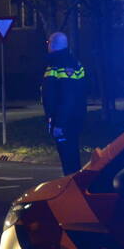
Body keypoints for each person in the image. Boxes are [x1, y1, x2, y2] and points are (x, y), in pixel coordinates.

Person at [42, 31, 87, 176]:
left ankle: (73, 191)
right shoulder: (75, 63)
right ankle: (74, 188)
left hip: (64, 122)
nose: (47, 46)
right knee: (72, 156)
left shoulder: (56, 64)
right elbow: (81, 92)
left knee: (68, 160)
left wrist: (59, 124)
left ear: (53, 45)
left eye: (48, 43)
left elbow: (67, 98)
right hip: (75, 118)